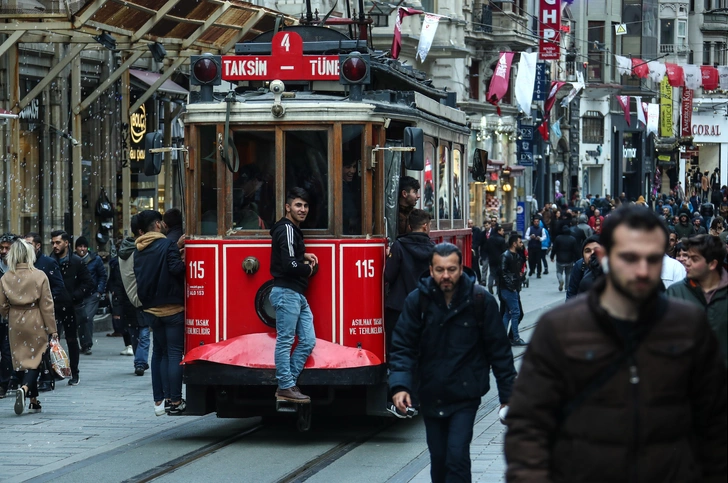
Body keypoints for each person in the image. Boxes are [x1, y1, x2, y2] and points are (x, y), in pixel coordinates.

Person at [504, 205, 728, 482]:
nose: (643, 270)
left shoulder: (688, 326)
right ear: (604, 256)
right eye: (630, 258)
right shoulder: (561, 328)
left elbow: (714, 422)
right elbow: (529, 425)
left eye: (652, 258)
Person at [389, 243, 516, 483]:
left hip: (465, 394)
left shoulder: (481, 300)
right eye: (439, 269)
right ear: (431, 269)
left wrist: (507, 398)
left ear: (461, 268)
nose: (445, 275)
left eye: (451, 269)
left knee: (457, 456)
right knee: (439, 459)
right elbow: (403, 346)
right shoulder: (418, 301)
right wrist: (400, 386)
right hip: (430, 392)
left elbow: (500, 353)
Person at [133, 210, 186, 415]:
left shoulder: (139, 249)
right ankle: (175, 400)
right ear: (157, 224)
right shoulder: (166, 244)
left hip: (150, 309)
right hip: (171, 307)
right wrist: (180, 255)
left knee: (158, 352)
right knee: (174, 353)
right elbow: (176, 269)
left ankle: (159, 400)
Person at [269, 188, 318, 403]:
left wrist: (301, 254)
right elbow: (289, 265)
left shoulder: (290, 230)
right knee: (285, 341)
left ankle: (288, 383)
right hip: (287, 292)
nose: (303, 209)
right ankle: (286, 386)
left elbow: (288, 255)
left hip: (295, 293)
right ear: (288, 207)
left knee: (308, 340)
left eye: (305, 206)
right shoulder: (287, 229)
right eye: (298, 205)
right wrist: (307, 269)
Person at [0, 239, 58, 415]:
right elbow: (47, 305)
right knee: (37, 359)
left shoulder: (6, 277)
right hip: (35, 318)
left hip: (15, 319)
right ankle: (25, 389)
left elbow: (2, 305)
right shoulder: (39, 275)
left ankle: (33, 400)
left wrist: (10, 314)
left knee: (20, 359)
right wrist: (53, 330)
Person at [667, 234, 728, 366]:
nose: (687, 262)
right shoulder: (675, 292)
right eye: (687, 257)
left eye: (694, 259)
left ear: (712, 264)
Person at [385, 209, 434, 356]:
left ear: (410, 227)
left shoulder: (399, 246)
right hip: (424, 307)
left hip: (398, 307)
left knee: (398, 349)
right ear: (425, 226)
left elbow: (389, 275)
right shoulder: (434, 250)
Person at [24, 233, 69, 392]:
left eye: (29, 243)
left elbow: (58, 287)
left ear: (37, 246)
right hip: (28, 314)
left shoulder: (48, 263)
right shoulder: (23, 263)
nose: (25, 247)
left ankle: (47, 378)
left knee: (44, 346)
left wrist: (44, 299)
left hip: (44, 311)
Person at [50, 230, 95, 386]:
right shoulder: (50, 261)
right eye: (53, 242)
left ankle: (74, 372)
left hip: (71, 307)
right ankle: (55, 371)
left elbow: (88, 283)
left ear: (66, 243)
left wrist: (74, 296)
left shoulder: (76, 262)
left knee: (71, 340)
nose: (55, 245)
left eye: (58, 242)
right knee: (52, 340)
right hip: (54, 306)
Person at [119, 216, 151, 378]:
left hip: (127, 300)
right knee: (144, 334)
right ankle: (140, 362)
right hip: (141, 299)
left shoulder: (122, 253)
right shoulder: (140, 251)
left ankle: (140, 362)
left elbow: (118, 281)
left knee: (134, 334)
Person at [74, 236, 107, 356]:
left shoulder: (95, 259)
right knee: (80, 319)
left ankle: (86, 345)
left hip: (92, 295)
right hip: (78, 295)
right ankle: (83, 343)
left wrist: (99, 291)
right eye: (80, 247)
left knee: (86, 317)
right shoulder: (73, 259)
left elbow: (102, 275)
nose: (82, 249)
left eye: (84, 247)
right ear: (76, 248)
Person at [500, 234, 527, 346]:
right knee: (516, 313)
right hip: (509, 289)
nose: (522, 244)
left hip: (512, 287)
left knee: (508, 313)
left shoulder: (516, 255)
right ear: (514, 243)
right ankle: (515, 338)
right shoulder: (506, 256)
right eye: (520, 242)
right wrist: (511, 286)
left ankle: (502, 338)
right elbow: (503, 273)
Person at [0, 233, 17, 399]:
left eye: (7, 248)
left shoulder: (18, 267)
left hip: (12, 316)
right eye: (2, 248)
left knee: (7, 351)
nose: (4, 251)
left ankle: (3, 384)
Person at [566, 235, 601, 300]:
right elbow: (572, 292)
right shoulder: (579, 265)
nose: (592, 254)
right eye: (588, 251)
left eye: (596, 250)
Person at [550, 225, 579, 292]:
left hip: (560, 258)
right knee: (568, 273)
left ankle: (561, 280)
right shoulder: (572, 239)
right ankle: (567, 287)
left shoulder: (558, 238)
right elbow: (575, 250)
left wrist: (552, 256)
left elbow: (554, 249)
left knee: (559, 272)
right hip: (569, 259)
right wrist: (578, 258)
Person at [485, 224, 507, 294]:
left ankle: (490, 284)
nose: (503, 232)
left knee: (492, 273)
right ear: (499, 231)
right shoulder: (502, 240)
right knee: (499, 275)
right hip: (500, 260)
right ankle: (498, 289)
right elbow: (504, 251)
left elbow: (487, 249)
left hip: (491, 259)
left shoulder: (490, 239)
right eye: (502, 230)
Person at [342, 158, 362, 235]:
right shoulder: (334, 187)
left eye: (354, 167)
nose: (352, 171)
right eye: (348, 167)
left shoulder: (351, 185)